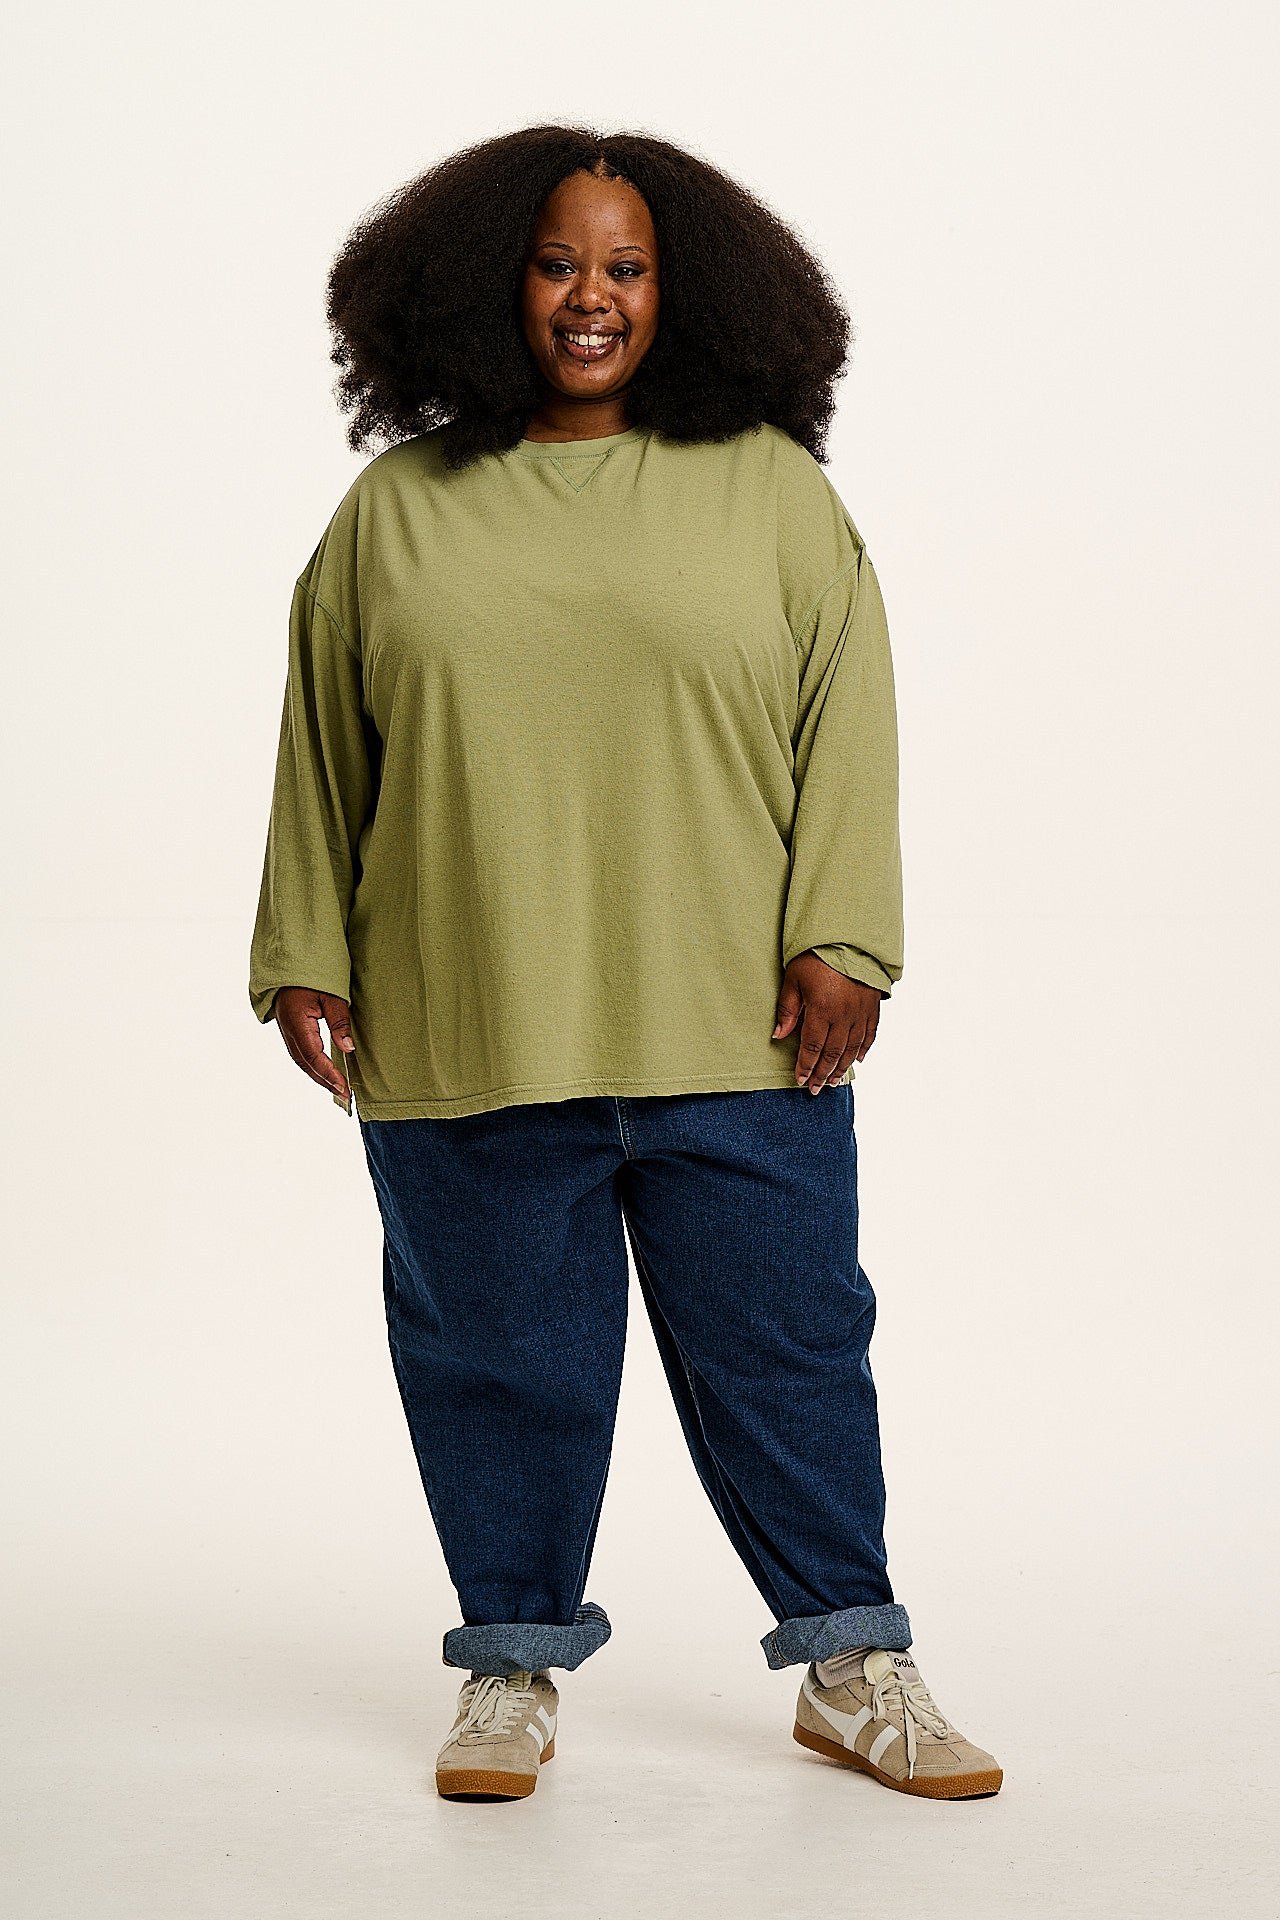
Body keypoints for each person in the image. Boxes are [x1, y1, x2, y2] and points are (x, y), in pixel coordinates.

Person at [248, 124, 1002, 1804]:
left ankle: (853, 1664)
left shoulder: (773, 495)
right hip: (470, 1010)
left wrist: (846, 935)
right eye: (557, 263)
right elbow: (324, 751)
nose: (591, 298)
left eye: (628, 268)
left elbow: (847, 723)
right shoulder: (394, 514)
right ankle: (508, 1666)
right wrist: (304, 946)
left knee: (790, 1349)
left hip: (738, 1024)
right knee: (495, 1363)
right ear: (488, 284)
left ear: (685, 291)